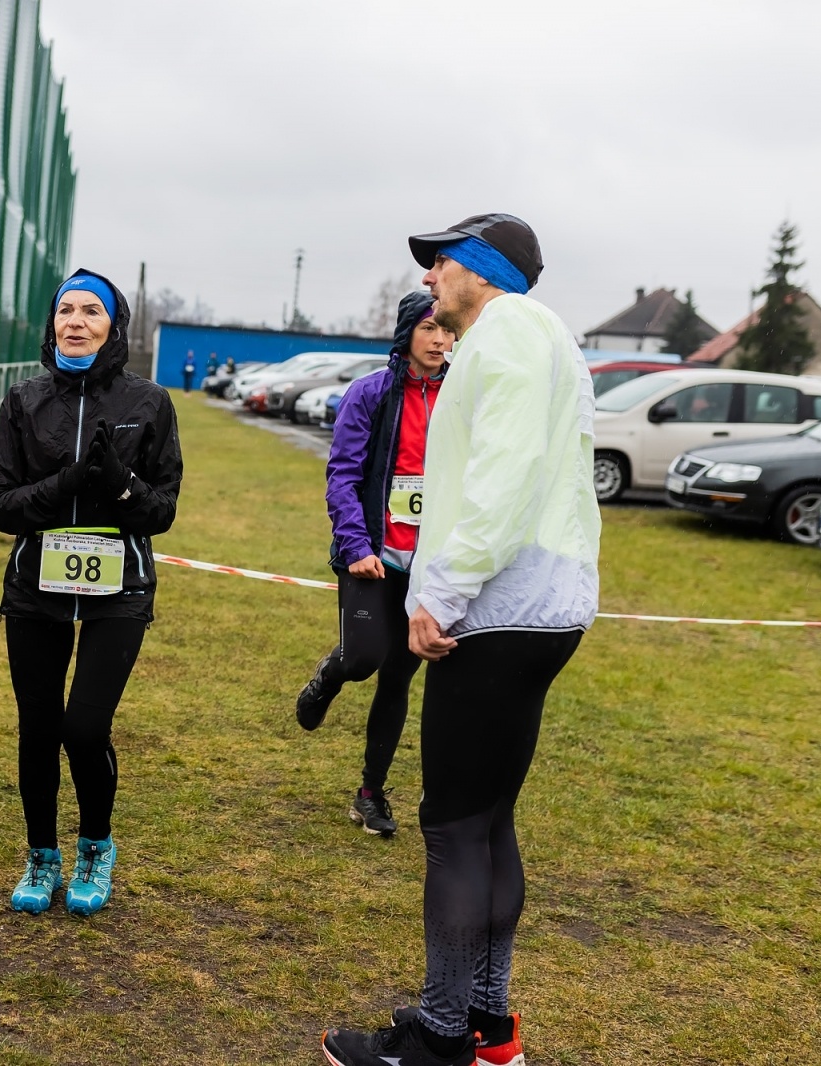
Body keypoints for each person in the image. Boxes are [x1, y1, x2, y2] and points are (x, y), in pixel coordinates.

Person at [320, 215, 599, 1066]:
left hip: (500, 608)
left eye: (440, 261)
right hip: (543, 606)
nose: (429, 276)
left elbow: (501, 478)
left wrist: (439, 594)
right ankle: (489, 1024)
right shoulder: (547, 337)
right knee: (488, 820)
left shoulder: (505, 332)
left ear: (482, 269)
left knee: (450, 827)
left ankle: (441, 1037)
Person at [0, 268, 183, 916]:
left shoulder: (149, 402)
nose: (75, 321)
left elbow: (162, 511)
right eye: (65, 310)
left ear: (113, 326)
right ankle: (42, 855)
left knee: (85, 727)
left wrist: (120, 483)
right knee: (38, 729)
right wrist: (64, 485)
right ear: (52, 324)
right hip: (35, 587)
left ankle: (96, 845)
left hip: (118, 589)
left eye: (91, 311)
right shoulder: (24, 399)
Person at [295, 291, 453, 838]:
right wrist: (356, 545)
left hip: (427, 565)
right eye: (429, 328)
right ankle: (330, 673)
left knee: (398, 676)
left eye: (447, 330)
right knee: (364, 658)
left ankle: (370, 793)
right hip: (371, 554)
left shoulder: (460, 396)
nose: (439, 340)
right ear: (407, 333)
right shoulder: (370, 393)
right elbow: (342, 474)